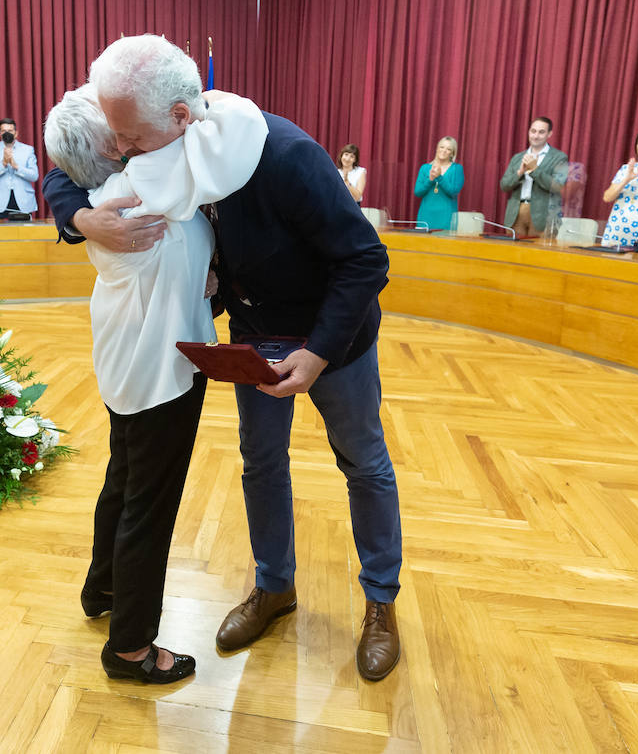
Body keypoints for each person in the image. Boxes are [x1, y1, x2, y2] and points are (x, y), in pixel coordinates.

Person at [45, 34, 403, 682]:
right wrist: (80, 218)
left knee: (364, 465)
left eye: (132, 141)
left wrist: (318, 353)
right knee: (261, 465)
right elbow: (71, 162)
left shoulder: (286, 156)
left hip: (336, 343)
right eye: (119, 142)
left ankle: (381, 604)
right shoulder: (152, 133)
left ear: (182, 118)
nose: (123, 153)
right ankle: (274, 587)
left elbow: (366, 259)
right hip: (255, 335)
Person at [45, 83, 267, 685]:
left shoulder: (109, 194)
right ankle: (131, 647)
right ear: (112, 150)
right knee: (151, 505)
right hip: (161, 374)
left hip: (124, 360)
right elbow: (242, 120)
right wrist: (192, 96)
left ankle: (103, 587)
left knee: (123, 480)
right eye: (117, 129)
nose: (127, 133)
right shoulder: (148, 187)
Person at [498, 116, 568, 237]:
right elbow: (504, 185)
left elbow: (557, 186)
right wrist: (519, 173)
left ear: (549, 134)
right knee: (513, 254)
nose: (536, 136)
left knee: (539, 254)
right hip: (516, 213)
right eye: (533, 131)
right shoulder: (518, 157)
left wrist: (534, 169)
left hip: (543, 216)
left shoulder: (559, 157)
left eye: (541, 132)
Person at [0, 118, 39, 218]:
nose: (7, 133)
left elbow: (34, 175)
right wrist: (3, 163)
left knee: (24, 232)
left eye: (10, 131)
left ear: (16, 133)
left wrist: (16, 166)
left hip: (23, 200)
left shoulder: (27, 150)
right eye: (4, 131)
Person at [414, 136, 463, 230]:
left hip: (446, 218)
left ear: (452, 153)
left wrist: (439, 177)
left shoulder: (457, 169)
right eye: (442, 147)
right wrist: (430, 180)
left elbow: (453, 192)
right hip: (425, 217)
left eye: (448, 149)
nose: (444, 150)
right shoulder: (425, 168)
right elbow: (418, 192)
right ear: (437, 148)